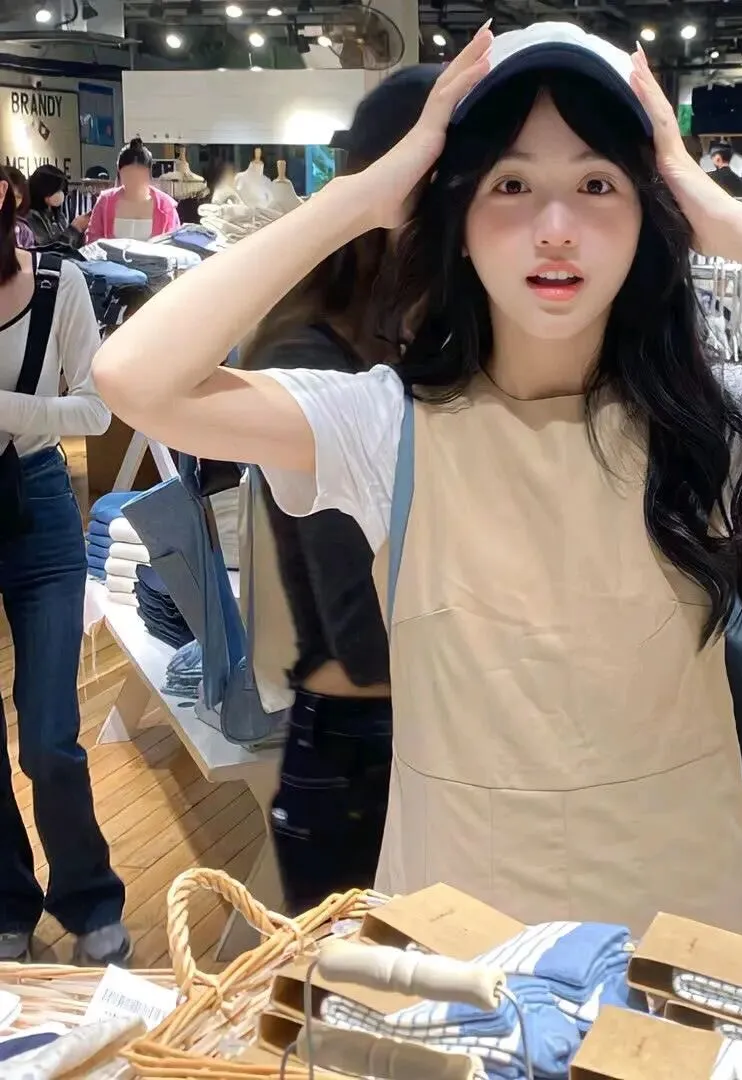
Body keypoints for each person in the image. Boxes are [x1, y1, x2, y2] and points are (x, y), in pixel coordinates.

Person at [91, 23, 742, 937]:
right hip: (464, 946)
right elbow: (136, 378)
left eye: (597, 184)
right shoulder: (382, 426)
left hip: (678, 939)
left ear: (650, 214)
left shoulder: (719, 421)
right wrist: (359, 199)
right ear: (456, 218)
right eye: (512, 184)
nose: (557, 229)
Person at [243, 66, 439, 914]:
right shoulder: (311, 358)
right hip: (366, 753)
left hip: (427, 743)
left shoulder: (409, 339)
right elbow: (363, 634)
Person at [0, 167, 128, 964]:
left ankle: (89, 899)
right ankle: (6, 901)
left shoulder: (58, 284)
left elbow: (97, 407)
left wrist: (6, 409)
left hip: (39, 501)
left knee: (49, 737)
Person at [84, 138, 180, 243]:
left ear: (149, 174)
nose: (135, 181)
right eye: (129, 176)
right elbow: (92, 240)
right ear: (119, 174)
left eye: (140, 176)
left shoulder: (166, 206)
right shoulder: (105, 201)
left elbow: (175, 244)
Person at [26, 166, 89, 248]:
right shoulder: (31, 218)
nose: (61, 194)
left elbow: (70, 247)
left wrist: (81, 231)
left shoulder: (58, 215)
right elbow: (48, 250)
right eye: (57, 190)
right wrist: (74, 229)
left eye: (62, 190)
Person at [4, 168, 34, 249]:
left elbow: (31, 253)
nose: (13, 201)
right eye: (9, 195)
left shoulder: (24, 230)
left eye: (18, 197)